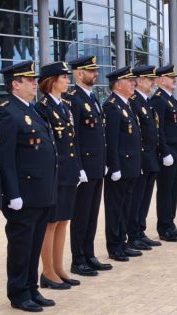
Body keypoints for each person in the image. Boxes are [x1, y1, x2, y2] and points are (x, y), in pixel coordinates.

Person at [0, 61, 58, 312]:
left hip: (41, 192)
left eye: (34, 79)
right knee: (21, 246)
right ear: (14, 85)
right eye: (28, 80)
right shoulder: (7, 113)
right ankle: (18, 293)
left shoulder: (33, 111)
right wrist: (12, 194)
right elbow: (5, 158)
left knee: (34, 244)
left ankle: (32, 287)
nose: (34, 83)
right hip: (23, 194)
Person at [34, 62, 83, 290]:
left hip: (68, 172)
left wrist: (78, 168)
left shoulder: (65, 106)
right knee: (51, 223)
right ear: (52, 80)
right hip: (55, 174)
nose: (67, 81)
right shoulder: (42, 108)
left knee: (64, 220)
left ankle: (59, 267)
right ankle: (48, 271)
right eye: (63, 77)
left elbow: (72, 141)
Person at [63, 56, 112, 276]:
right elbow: (74, 137)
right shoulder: (72, 99)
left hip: (96, 165)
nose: (96, 74)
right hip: (84, 168)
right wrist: (79, 167)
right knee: (81, 214)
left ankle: (89, 254)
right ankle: (78, 259)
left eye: (96, 70)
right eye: (91, 70)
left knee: (92, 213)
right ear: (78, 74)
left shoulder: (93, 98)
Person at [102, 66, 143, 262]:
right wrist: (115, 167)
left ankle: (123, 242)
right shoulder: (111, 106)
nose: (133, 84)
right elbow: (111, 141)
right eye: (129, 81)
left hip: (131, 165)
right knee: (115, 208)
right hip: (120, 167)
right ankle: (114, 246)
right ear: (118, 85)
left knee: (126, 206)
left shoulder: (126, 104)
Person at [150, 65, 177, 242]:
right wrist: (165, 152)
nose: (174, 79)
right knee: (166, 192)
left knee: (174, 191)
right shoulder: (158, 100)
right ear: (160, 80)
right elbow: (159, 130)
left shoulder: (172, 100)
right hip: (168, 154)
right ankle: (164, 227)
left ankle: (171, 224)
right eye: (169, 76)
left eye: (174, 76)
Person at [126, 65, 163, 251]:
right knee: (136, 199)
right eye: (149, 79)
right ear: (139, 81)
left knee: (145, 198)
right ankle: (133, 235)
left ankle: (140, 231)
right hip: (142, 158)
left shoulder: (146, 102)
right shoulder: (134, 102)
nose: (153, 82)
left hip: (151, 157)